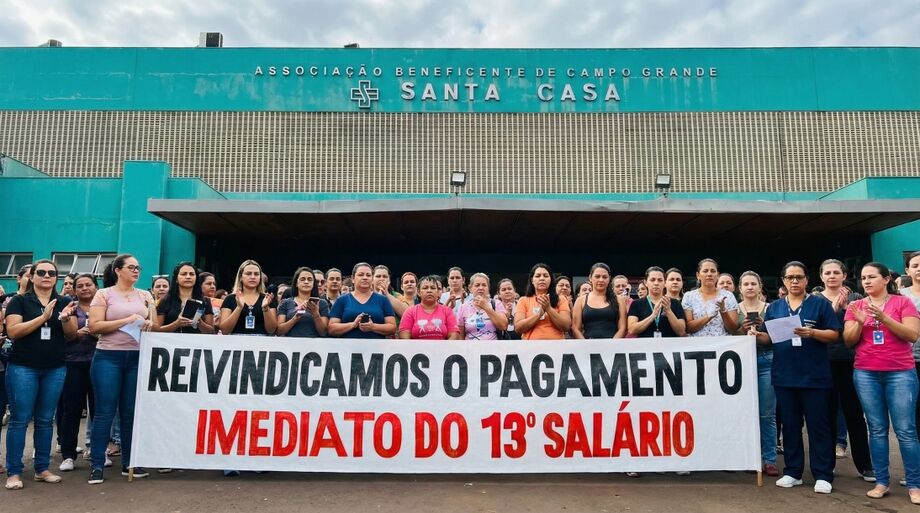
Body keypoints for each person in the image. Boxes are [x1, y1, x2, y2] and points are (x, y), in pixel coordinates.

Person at [753, 261, 839, 494]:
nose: (794, 281)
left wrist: (813, 332)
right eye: (790, 277)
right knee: (790, 426)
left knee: (818, 426)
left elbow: (834, 334)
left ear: (807, 280)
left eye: (799, 277)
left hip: (815, 376)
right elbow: (769, 338)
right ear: (783, 281)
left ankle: (823, 474)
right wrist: (756, 335)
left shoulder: (820, 304)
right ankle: (793, 471)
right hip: (784, 375)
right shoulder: (774, 308)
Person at [844, 262, 920, 503]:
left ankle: (915, 484)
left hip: (900, 373)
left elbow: (912, 335)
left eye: (872, 277)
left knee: (906, 431)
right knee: (876, 429)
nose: (866, 281)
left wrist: (884, 318)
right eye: (863, 277)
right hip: (866, 373)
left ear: (886, 279)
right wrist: (859, 322)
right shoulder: (856, 306)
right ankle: (881, 481)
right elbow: (848, 341)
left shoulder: (903, 303)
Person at [3, 260, 77, 490]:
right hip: (23, 367)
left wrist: (65, 319)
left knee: (45, 420)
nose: (47, 276)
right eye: (41, 272)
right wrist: (43, 318)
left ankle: (42, 469)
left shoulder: (64, 301)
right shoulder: (19, 301)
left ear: (56, 278)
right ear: (32, 276)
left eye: (51, 273)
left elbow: (71, 335)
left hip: (55, 367)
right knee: (20, 419)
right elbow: (13, 332)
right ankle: (14, 472)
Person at [87, 254, 154, 484]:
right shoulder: (103, 294)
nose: (136, 271)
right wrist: (126, 320)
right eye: (131, 267)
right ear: (118, 270)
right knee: (105, 412)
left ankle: (129, 462)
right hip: (108, 356)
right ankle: (97, 464)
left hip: (136, 357)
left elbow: (154, 325)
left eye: (138, 268)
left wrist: (148, 323)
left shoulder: (145, 295)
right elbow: (94, 326)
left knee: (130, 413)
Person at [819, 259, 874, 481]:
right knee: (827, 414)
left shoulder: (856, 298)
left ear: (844, 275)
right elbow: (813, 329)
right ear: (821, 276)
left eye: (836, 272)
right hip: (824, 363)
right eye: (827, 273)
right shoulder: (815, 300)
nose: (832, 276)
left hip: (853, 361)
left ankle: (865, 465)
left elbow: (866, 325)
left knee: (855, 414)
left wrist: (847, 311)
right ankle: (827, 464)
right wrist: (832, 310)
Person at [734, 271, 778, 476]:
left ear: (760, 286)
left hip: (766, 360)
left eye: (753, 283)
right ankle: (749, 457)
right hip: (741, 362)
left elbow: (776, 337)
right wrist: (741, 330)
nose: (750, 287)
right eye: (746, 284)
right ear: (740, 288)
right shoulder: (734, 309)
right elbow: (729, 335)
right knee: (743, 412)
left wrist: (762, 332)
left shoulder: (771, 308)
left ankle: (769, 459)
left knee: (767, 413)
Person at [58, 274, 99, 473]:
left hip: (100, 363)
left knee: (99, 410)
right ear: (74, 290)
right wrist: (76, 331)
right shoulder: (71, 308)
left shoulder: (104, 307)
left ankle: (98, 451)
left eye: (88, 284)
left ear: (96, 287)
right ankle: (68, 455)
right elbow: (68, 335)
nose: (84, 288)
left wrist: (97, 330)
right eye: (80, 286)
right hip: (73, 363)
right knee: (72, 410)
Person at [328, 263, 397, 339]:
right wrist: (353, 325)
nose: (365, 278)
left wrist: (373, 327)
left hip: (376, 346)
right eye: (361, 275)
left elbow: (392, 328)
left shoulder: (383, 300)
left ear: (372, 279)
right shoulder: (342, 300)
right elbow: (331, 329)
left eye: (368, 275)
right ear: (353, 279)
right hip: (348, 346)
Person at [219, 260, 277, 336]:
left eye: (256, 274)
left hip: (261, 341)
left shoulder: (267, 299)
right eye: (248, 274)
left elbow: (272, 330)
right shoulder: (230, 299)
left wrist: (266, 309)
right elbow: (225, 330)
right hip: (236, 341)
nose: (253, 277)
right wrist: (239, 308)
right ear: (240, 277)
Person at [683, 258, 739, 337]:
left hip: (722, 343)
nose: (709, 274)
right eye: (705, 271)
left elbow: (733, 329)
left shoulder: (728, 296)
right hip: (696, 343)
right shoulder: (689, 296)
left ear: (718, 275)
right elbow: (688, 328)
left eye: (713, 271)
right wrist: (709, 315)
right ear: (698, 275)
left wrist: (723, 311)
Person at [514, 263, 571, 340]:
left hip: (556, 345)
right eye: (538, 276)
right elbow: (518, 328)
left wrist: (548, 308)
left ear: (551, 280)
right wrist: (539, 314)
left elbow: (566, 326)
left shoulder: (561, 299)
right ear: (532, 280)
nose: (542, 278)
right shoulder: (523, 300)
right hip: (530, 345)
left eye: (545, 276)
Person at [154, 262, 214, 335]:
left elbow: (212, 331)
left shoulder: (205, 301)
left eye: (192, 274)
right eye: (183, 274)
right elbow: (156, 330)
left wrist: (200, 323)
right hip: (171, 341)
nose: (188, 277)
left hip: (196, 341)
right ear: (176, 279)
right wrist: (176, 324)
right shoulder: (165, 300)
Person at [627, 266, 686, 338]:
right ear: (646, 282)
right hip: (645, 344)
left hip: (669, 344)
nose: (656, 283)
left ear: (665, 283)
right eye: (652, 280)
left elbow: (681, 331)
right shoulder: (636, 304)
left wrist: (668, 311)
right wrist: (653, 316)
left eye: (660, 280)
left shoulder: (675, 303)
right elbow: (632, 330)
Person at [572, 263, 627, 339]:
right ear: (590, 278)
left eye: (604, 277)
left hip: (613, 344)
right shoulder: (581, 300)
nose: (601, 280)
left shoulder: (619, 300)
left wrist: (612, 344)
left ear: (609, 278)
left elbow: (623, 328)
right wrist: (585, 344)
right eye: (597, 276)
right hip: (587, 344)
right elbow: (575, 329)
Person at [399, 276, 460, 340]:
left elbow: (454, 335)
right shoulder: (410, 311)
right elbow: (404, 337)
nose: (429, 290)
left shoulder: (447, 311)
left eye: (433, 288)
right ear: (418, 292)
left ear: (437, 292)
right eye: (425, 288)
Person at [276, 267, 330, 338]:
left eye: (310, 279)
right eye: (302, 279)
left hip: (314, 344)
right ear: (296, 283)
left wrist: (315, 314)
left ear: (313, 283)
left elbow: (323, 332)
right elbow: (279, 331)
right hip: (290, 344)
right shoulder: (285, 303)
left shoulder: (322, 303)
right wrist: (295, 318)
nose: (306, 282)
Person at [902, 251, 920, 450]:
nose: (919, 269)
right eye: (915, 265)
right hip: (908, 361)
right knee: (912, 412)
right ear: (907, 270)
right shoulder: (901, 296)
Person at [457, 273, 507, 340]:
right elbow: (460, 336)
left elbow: (503, 326)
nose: (481, 288)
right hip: (470, 346)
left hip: (492, 346)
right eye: (477, 285)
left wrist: (486, 307)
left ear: (488, 288)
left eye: (484, 285)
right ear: (470, 288)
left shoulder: (497, 303)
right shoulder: (463, 307)